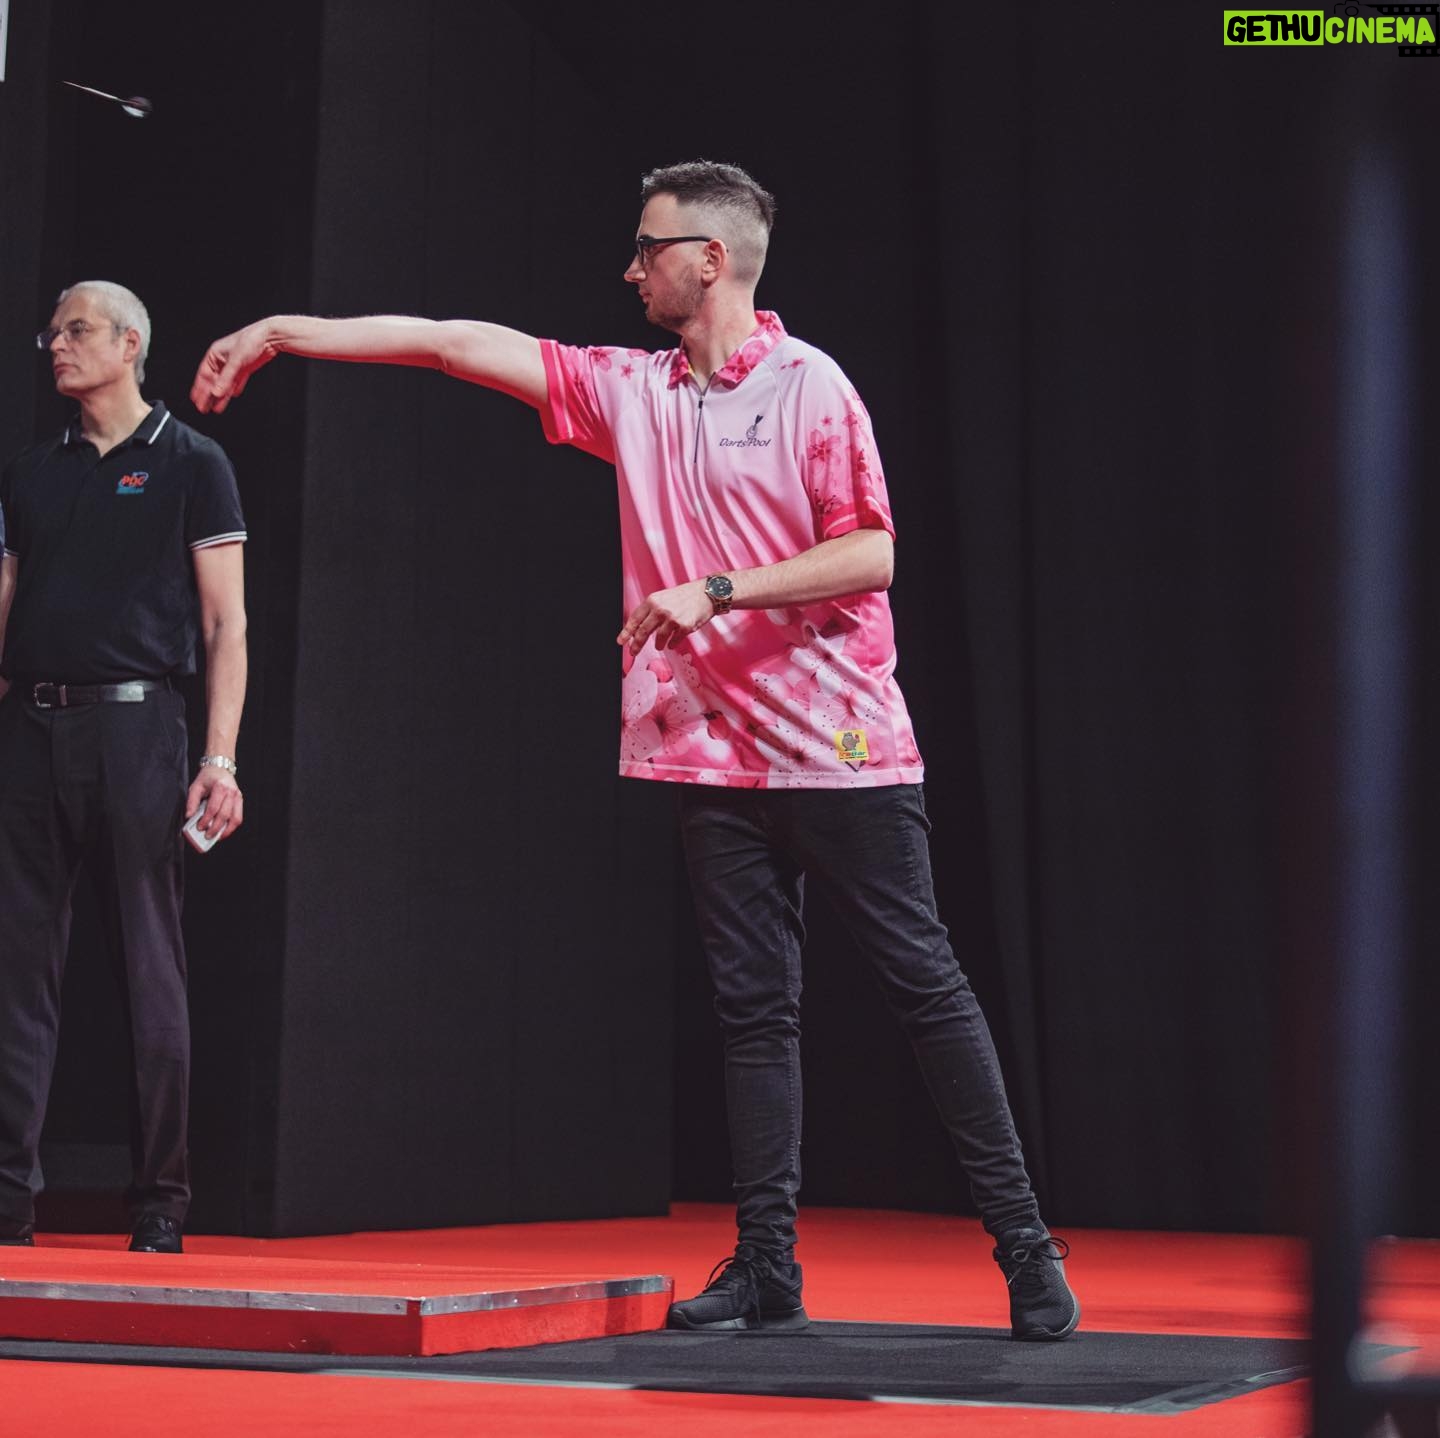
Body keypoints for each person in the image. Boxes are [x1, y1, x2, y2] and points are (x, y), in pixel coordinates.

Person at [189, 160, 1078, 1339]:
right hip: (707, 760)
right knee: (754, 1014)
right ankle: (768, 1265)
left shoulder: (811, 387)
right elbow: (454, 346)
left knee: (927, 988)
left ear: (711, 260)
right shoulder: (634, 391)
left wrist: (719, 588)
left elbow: (871, 552)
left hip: (844, 753)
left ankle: (1026, 1250)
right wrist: (282, 330)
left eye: (649, 247)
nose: (630, 268)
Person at [0, 281, 248, 1255]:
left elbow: (225, 625)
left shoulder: (192, 462)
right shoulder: (32, 471)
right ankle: (7, 1199)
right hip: (32, 727)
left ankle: (159, 1203)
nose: (57, 346)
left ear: (130, 342)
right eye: (52, 333)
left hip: (138, 730)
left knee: (149, 965)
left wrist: (220, 757)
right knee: (16, 969)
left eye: (76, 330)